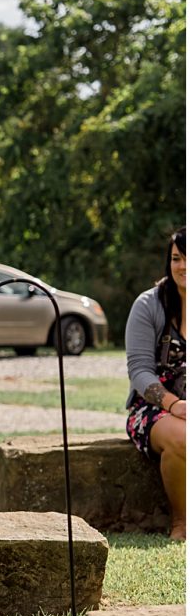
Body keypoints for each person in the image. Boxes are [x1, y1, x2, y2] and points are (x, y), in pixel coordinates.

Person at [125, 228, 187, 539]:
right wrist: (174, 404)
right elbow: (139, 371)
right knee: (182, 437)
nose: (183, 266)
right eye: (176, 258)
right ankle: (181, 523)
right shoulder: (148, 305)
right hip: (152, 409)